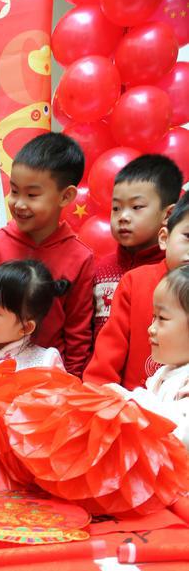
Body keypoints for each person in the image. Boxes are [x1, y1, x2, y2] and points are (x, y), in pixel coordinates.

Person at [0, 133, 93, 377]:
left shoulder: (79, 257)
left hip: (47, 382)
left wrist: (70, 383)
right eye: (14, 191)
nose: (18, 203)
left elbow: (78, 333)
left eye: (32, 195)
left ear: (66, 196)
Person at [84, 192, 189, 390]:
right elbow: (106, 361)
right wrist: (99, 401)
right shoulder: (135, 282)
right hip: (131, 408)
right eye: (188, 236)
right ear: (165, 238)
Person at [94, 154, 182, 334]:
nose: (123, 217)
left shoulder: (174, 272)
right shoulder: (100, 269)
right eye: (116, 208)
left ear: (168, 215)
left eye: (136, 207)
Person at [109, 265, 189, 448]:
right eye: (153, 317)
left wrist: (129, 400)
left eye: (162, 318)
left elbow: (180, 433)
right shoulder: (164, 374)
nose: (151, 329)